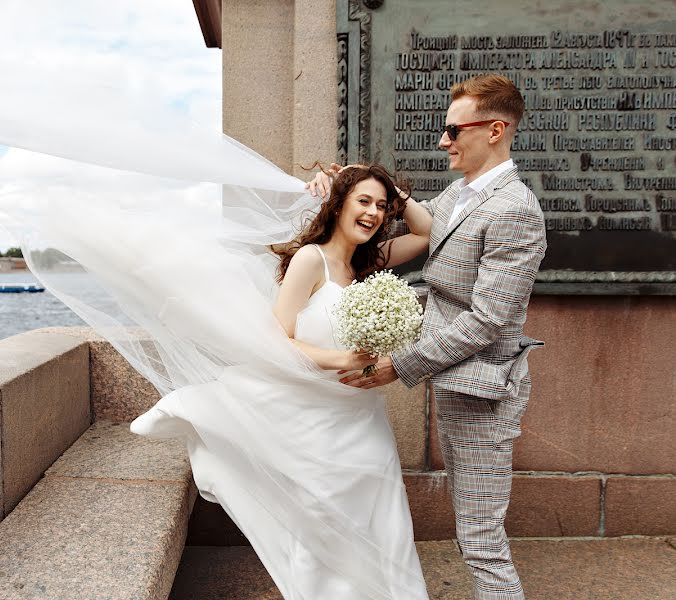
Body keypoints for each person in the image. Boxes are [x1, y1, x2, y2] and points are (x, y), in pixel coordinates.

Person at [131, 163, 434, 599]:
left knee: (383, 507)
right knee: (324, 515)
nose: (372, 213)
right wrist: (341, 358)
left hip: (359, 412)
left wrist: (386, 186)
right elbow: (279, 339)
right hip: (314, 413)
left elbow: (426, 233)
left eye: (381, 207)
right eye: (363, 201)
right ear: (339, 204)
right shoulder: (312, 259)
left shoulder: (372, 262)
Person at [308, 73, 547, 600]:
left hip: (485, 392)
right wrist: (343, 181)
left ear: (495, 130)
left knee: (481, 538)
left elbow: (488, 319)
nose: (443, 140)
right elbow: (407, 223)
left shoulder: (514, 210)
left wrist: (399, 366)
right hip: (457, 382)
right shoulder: (462, 193)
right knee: (473, 535)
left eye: (452, 129)